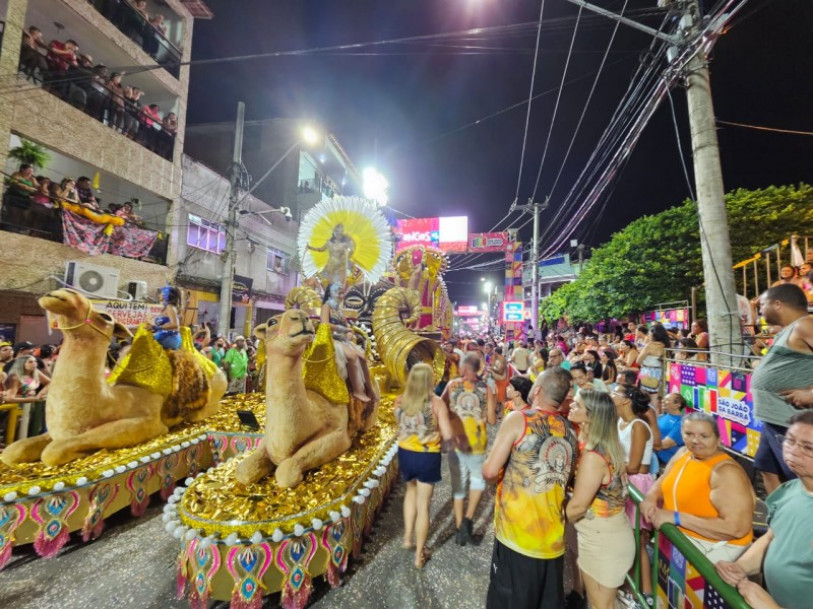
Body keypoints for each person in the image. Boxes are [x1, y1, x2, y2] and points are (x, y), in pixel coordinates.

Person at [483, 369, 578, 609]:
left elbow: (490, 471)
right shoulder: (570, 432)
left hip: (518, 537)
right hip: (553, 541)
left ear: (537, 391)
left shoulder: (519, 419)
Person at [714, 410, 813, 609]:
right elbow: (772, 538)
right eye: (789, 440)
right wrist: (740, 567)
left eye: (808, 448)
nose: (793, 450)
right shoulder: (786, 492)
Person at [640, 411, 754, 562]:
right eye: (689, 434)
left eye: (704, 436)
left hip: (712, 555)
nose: (695, 440)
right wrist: (650, 497)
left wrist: (676, 518)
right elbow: (664, 479)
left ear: (718, 439)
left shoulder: (725, 472)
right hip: (678, 546)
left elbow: (736, 528)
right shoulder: (684, 453)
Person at [565, 390, 634, 609]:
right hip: (603, 533)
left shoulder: (595, 457)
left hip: (603, 540)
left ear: (591, 416)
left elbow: (577, 506)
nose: (570, 407)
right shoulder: (603, 446)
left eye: (576, 405)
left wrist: (547, 516)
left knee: (599, 605)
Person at [751, 284, 813, 493]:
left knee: (801, 481)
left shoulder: (805, 325)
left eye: (762, 305)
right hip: (774, 421)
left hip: (791, 424)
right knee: (768, 470)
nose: (760, 311)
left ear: (777, 304)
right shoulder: (788, 330)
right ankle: (781, 520)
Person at [395, 363, 454, 569]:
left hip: (405, 453)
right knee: (424, 505)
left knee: (409, 492)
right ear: (430, 380)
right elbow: (447, 435)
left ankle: (407, 538)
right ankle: (420, 555)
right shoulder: (436, 403)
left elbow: (400, 427)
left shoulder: (400, 401)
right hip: (427, 456)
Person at [442, 353, 496, 546]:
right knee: (477, 480)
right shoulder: (485, 389)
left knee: (459, 482)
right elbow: (491, 419)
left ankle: (458, 529)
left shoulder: (452, 386)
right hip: (477, 442)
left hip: (456, 440)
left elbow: (442, 407)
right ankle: (467, 522)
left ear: (464, 368)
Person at [611, 384, 655, 603]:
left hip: (637, 485)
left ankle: (644, 593)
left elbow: (635, 466)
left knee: (638, 541)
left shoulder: (638, 426)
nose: (612, 395)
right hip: (622, 481)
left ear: (626, 400)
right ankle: (629, 586)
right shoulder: (620, 422)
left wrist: (606, 464)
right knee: (626, 540)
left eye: (616, 393)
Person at [320, 282, 372, 402]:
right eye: (339, 293)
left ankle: (369, 387)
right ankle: (357, 390)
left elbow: (347, 324)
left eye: (342, 293)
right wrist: (343, 329)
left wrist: (349, 332)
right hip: (331, 340)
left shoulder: (338, 309)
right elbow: (325, 324)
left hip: (343, 340)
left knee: (363, 357)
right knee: (352, 357)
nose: (341, 296)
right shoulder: (326, 307)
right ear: (332, 293)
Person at [3, 354, 50, 440]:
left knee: (31, 429)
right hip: (17, 407)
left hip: (30, 406)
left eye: (35, 361)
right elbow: (9, 398)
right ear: (22, 364)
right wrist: (33, 398)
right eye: (30, 362)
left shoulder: (37, 373)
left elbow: (49, 382)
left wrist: (40, 394)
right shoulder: (15, 377)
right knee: (17, 431)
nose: (34, 364)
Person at [306, 223, 356, 287]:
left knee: (341, 286)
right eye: (337, 231)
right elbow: (320, 249)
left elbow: (351, 250)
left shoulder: (345, 244)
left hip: (341, 267)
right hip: (331, 267)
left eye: (340, 231)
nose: (338, 233)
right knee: (329, 286)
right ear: (334, 232)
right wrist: (310, 247)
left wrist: (347, 255)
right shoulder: (329, 242)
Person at [636, 324, 670, 404]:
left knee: (644, 399)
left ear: (654, 335)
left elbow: (638, 361)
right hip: (661, 374)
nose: (648, 336)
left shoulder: (650, 346)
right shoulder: (666, 345)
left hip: (647, 372)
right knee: (656, 400)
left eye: (649, 334)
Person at [654, 393, 686, 466]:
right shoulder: (662, 416)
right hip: (655, 456)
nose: (663, 401)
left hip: (667, 463)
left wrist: (644, 444)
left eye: (667, 400)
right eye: (663, 400)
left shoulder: (681, 423)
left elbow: (666, 445)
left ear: (677, 405)